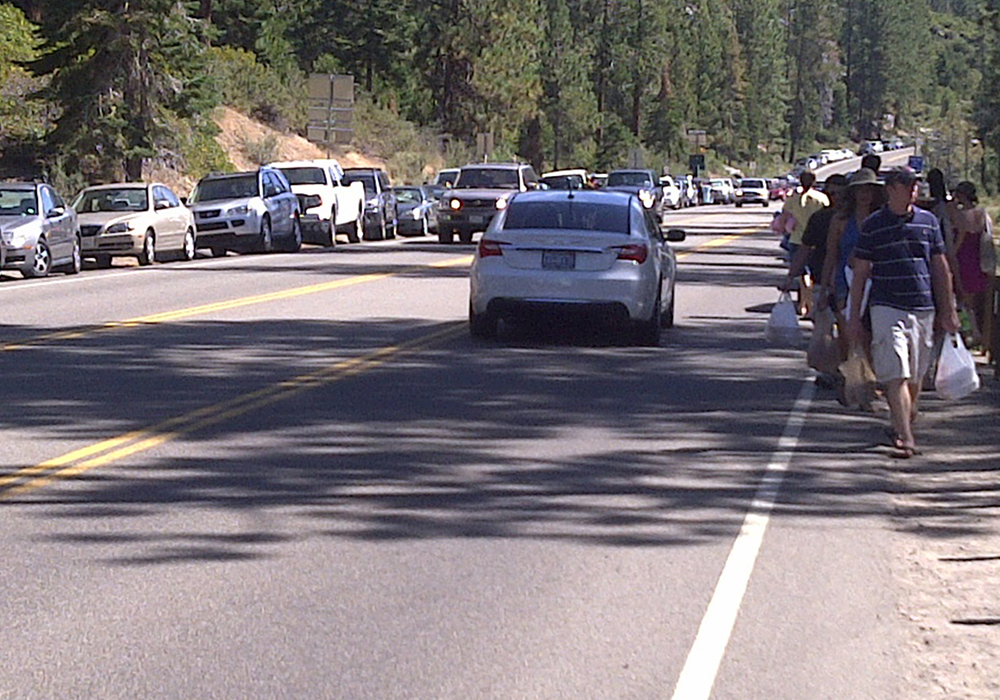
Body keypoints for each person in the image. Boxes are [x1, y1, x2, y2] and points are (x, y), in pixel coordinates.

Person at [847, 167, 959, 458]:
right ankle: (906, 437)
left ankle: (905, 419)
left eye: (915, 186)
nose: (913, 191)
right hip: (886, 306)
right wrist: (853, 317)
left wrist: (949, 309)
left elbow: (940, 268)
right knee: (896, 371)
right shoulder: (873, 225)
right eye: (907, 186)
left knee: (916, 376)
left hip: (923, 307)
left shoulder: (928, 222)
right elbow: (860, 273)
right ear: (891, 189)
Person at [951, 181, 993, 347]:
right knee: (972, 301)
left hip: (964, 259)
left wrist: (951, 255)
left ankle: (972, 332)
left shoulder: (961, 215)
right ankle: (972, 332)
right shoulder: (982, 213)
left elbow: (960, 238)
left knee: (963, 300)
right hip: (977, 259)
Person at [781, 170, 829, 315]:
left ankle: (804, 304)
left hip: (797, 239)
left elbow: (784, 216)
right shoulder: (821, 198)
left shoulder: (793, 199)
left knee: (802, 274)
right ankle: (811, 304)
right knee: (816, 274)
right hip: (818, 241)